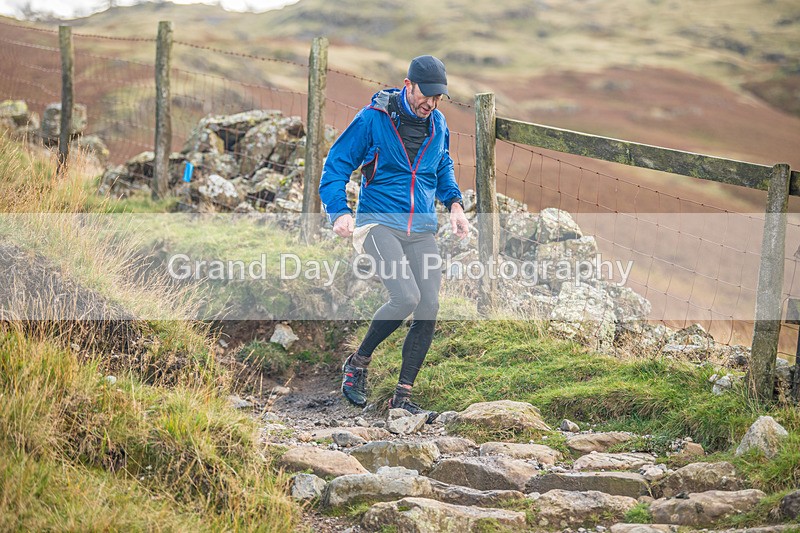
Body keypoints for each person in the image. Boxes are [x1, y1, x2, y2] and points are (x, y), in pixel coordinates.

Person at [319, 55, 470, 422]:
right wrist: (339, 211)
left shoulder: (438, 124)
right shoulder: (374, 118)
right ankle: (357, 362)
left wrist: (454, 204)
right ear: (408, 85)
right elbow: (337, 163)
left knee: (429, 305)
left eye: (438, 98)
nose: (430, 104)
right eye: (426, 95)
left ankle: (402, 397)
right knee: (405, 296)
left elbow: (442, 165)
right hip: (377, 223)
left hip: (420, 228)